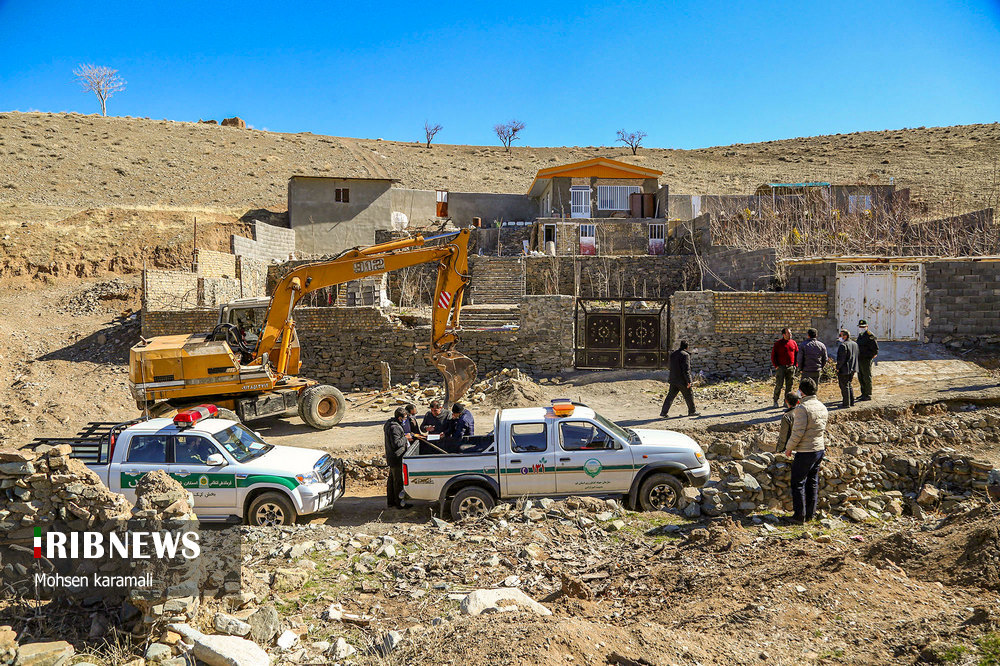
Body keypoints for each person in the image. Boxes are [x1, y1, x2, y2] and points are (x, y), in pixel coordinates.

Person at [784, 378, 828, 524]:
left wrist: (789, 448)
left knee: (798, 482)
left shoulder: (802, 409)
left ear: (801, 392)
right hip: (819, 448)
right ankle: (810, 514)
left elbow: (797, 432)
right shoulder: (822, 406)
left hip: (805, 450)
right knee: (812, 482)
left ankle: (799, 516)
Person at [661, 341, 698, 418]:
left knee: (670, 396)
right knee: (689, 395)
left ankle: (663, 412)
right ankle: (692, 411)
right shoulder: (685, 355)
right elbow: (686, 369)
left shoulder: (673, 354)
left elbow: (670, 366)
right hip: (682, 380)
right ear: (687, 347)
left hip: (673, 378)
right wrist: (689, 381)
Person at [383, 407, 408, 509]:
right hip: (396, 458)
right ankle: (399, 503)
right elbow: (396, 443)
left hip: (391, 457)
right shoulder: (395, 427)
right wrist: (406, 438)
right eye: (405, 418)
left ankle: (391, 502)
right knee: (398, 481)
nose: (405, 420)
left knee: (392, 480)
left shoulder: (389, 424)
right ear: (400, 418)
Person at [771, 328, 799, 408]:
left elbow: (797, 354)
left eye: (790, 333)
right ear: (784, 334)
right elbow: (773, 356)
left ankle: (786, 401)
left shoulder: (793, 343)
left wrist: (795, 365)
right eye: (788, 333)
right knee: (779, 385)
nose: (790, 335)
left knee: (789, 386)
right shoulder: (778, 344)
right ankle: (775, 400)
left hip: (790, 367)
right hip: (781, 368)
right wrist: (776, 366)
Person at [836, 329, 860, 408]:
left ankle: (846, 403)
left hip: (844, 369)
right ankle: (851, 401)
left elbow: (841, 359)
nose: (839, 337)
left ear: (845, 336)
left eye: (841, 335)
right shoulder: (854, 344)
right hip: (853, 368)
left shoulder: (843, 345)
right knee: (849, 384)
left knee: (844, 386)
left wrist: (838, 367)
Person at [856, 319, 879, 402]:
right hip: (859, 359)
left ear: (867, 326)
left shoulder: (870, 335)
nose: (861, 328)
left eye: (863, 326)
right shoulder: (861, 335)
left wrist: (870, 357)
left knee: (866, 376)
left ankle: (868, 394)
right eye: (860, 326)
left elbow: (875, 349)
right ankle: (863, 393)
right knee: (860, 376)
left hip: (866, 359)